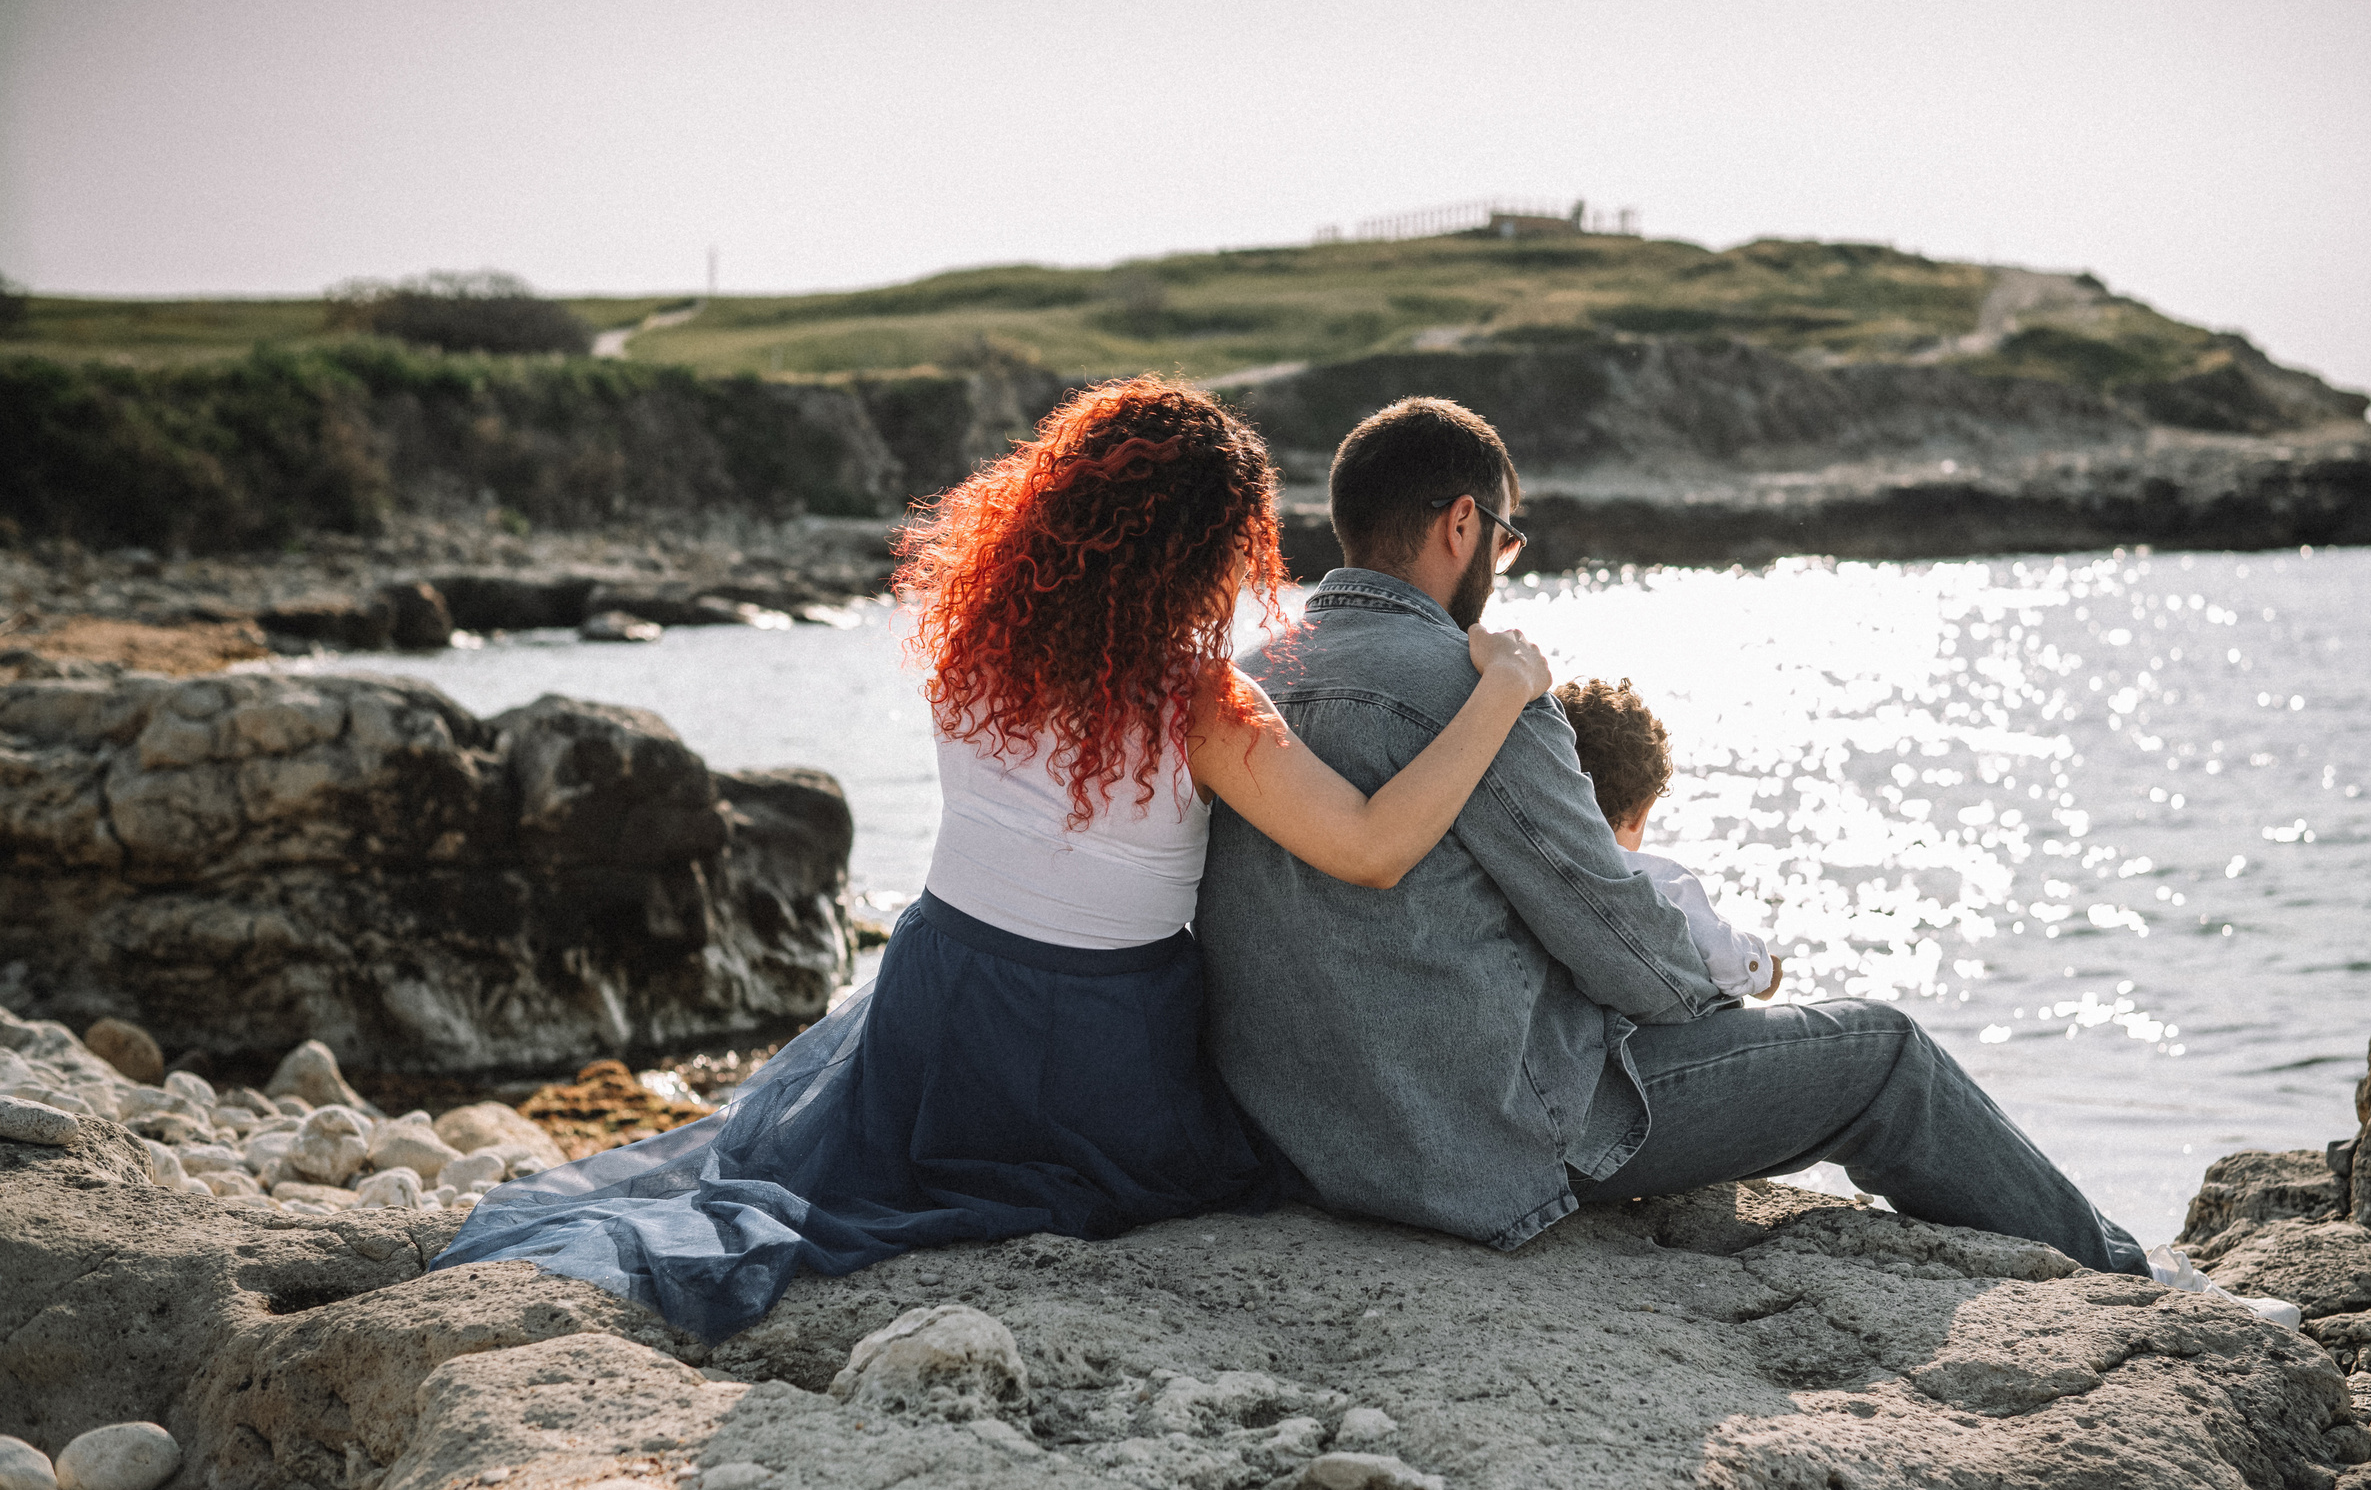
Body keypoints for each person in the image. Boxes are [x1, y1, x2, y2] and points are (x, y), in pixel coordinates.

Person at [431, 377, 1554, 1343]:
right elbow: (1369, 848)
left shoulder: (976, 648)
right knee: (1247, 1146)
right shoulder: (1197, 697)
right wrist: (1501, 687)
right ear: (1207, 547)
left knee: (802, 1139)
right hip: (1095, 1048)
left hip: (938, 1000)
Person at [1195, 396, 2153, 1278]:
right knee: (1886, 1054)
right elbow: (1625, 949)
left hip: (1306, 1147)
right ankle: (2129, 1278)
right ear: (1461, 524)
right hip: (1476, 1145)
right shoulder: (1486, 693)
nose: (1502, 560)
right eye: (1507, 539)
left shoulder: (1241, 681)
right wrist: (1729, 985)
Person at [1553, 676, 1780, 1003]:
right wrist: (1765, 973)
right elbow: (1729, 958)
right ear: (1640, 812)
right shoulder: (1656, 879)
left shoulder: (1534, 860)